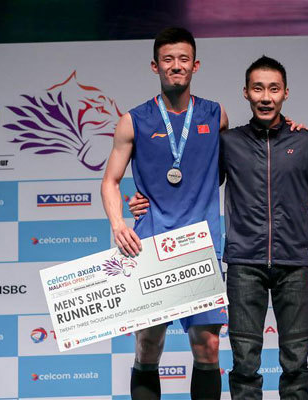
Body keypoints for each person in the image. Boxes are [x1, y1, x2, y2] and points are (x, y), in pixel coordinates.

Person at [130, 55, 308, 399]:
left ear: (286, 94)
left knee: (296, 364)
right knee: (245, 366)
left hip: (293, 263)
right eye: (258, 89)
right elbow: (193, 185)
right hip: (243, 265)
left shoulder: (304, 141)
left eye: (274, 89)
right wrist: (144, 200)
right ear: (246, 93)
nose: (266, 97)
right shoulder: (229, 142)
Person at [101, 27, 229, 400]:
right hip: (152, 243)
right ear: (155, 66)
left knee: (208, 347)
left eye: (184, 59)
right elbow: (110, 181)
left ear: (195, 65)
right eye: (168, 60)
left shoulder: (216, 114)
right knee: (149, 346)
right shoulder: (133, 120)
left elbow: (239, 156)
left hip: (201, 248)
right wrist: (119, 223)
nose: (176, 66)